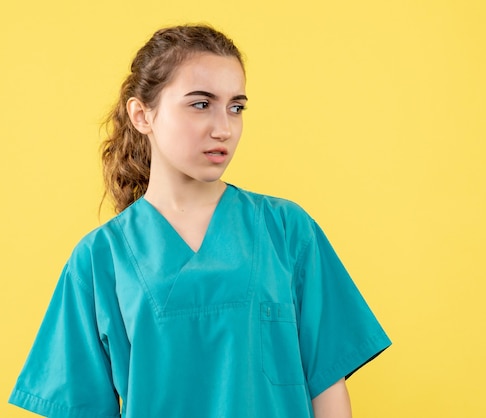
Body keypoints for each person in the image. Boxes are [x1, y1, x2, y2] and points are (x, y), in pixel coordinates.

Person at [8, 24, 391, 418]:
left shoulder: (288, 230)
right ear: (142, 115)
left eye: (236, 107)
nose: (223, 128)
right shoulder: (98, 259)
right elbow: (80, 406)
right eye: (201, 104)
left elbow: (327, 387)